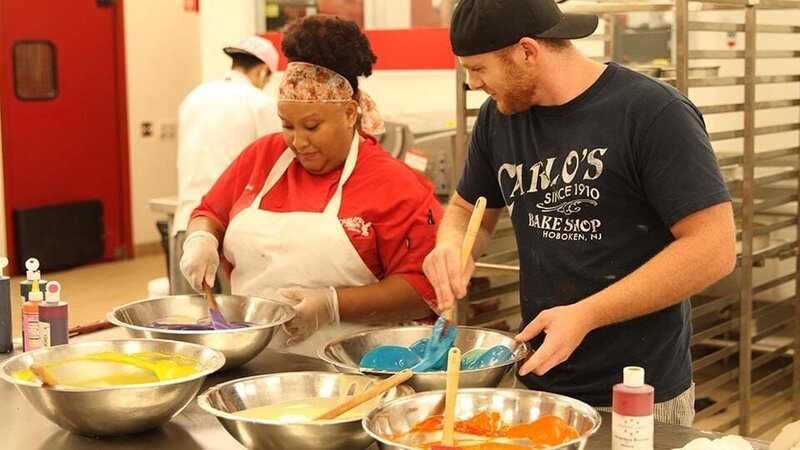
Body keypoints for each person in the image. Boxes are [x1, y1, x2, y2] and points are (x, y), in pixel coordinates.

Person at [422, 0, 735, 426]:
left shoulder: (652, 112)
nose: (473, 84)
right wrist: (451, 245)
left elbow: (714, 249)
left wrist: (587, 314)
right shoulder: (499, 118)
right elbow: (465, 209)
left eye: (478, 68)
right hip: (537, 382)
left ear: (527, 52)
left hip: (636, 392)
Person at [179, 15, 442, 356]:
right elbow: (211, 212)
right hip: (256, 359)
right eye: (287, 125)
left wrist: (333, 304)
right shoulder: (263, 156)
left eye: (312, 126)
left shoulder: (396, 184)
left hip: (356, 364)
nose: (298, 142)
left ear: (350, 113)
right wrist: (201, 238)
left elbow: (423, 289)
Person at [172, 36, 282, 295]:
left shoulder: (195, 96)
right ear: (263, 71)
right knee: (236, 314)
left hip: (187, 225)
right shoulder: (260, 103)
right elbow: (277, 166)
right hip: (233, 231)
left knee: (191, 315)